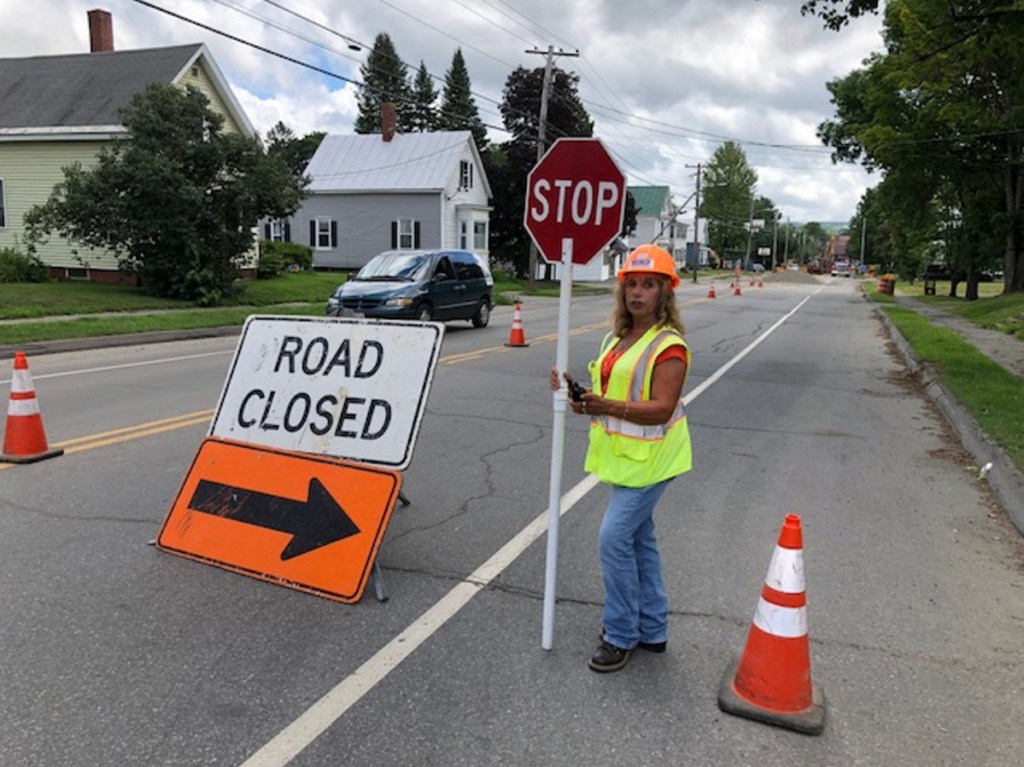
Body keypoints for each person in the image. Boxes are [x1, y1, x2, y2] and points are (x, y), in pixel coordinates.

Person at [550, 244, 692, 673]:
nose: (637, 293)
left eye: (648, 285)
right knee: (638, 542)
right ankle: (652, 628)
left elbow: (663, 407)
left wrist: (605, 407)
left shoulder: (669, 346)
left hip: (654, 460)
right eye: (631, 284)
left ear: (665, 293)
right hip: (625, 457)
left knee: (613, 538)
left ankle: (621, 632)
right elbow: (607, 396)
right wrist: (578, 394)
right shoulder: (616, 337)